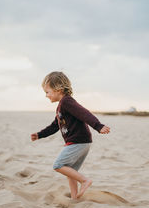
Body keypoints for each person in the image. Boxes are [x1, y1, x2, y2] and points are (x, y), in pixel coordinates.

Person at [31, 71, 110, 199]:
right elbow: (55, 125)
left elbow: (84, 113)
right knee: (70, 171)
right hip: (82, 142)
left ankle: (84, 181)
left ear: (58, 89)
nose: (46, 95)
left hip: (78, 141)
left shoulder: (67, 102)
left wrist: (98, 126)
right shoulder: (61, 106)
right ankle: (75, 198)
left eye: (47, 92)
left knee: (58, 165)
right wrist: (40, 135)